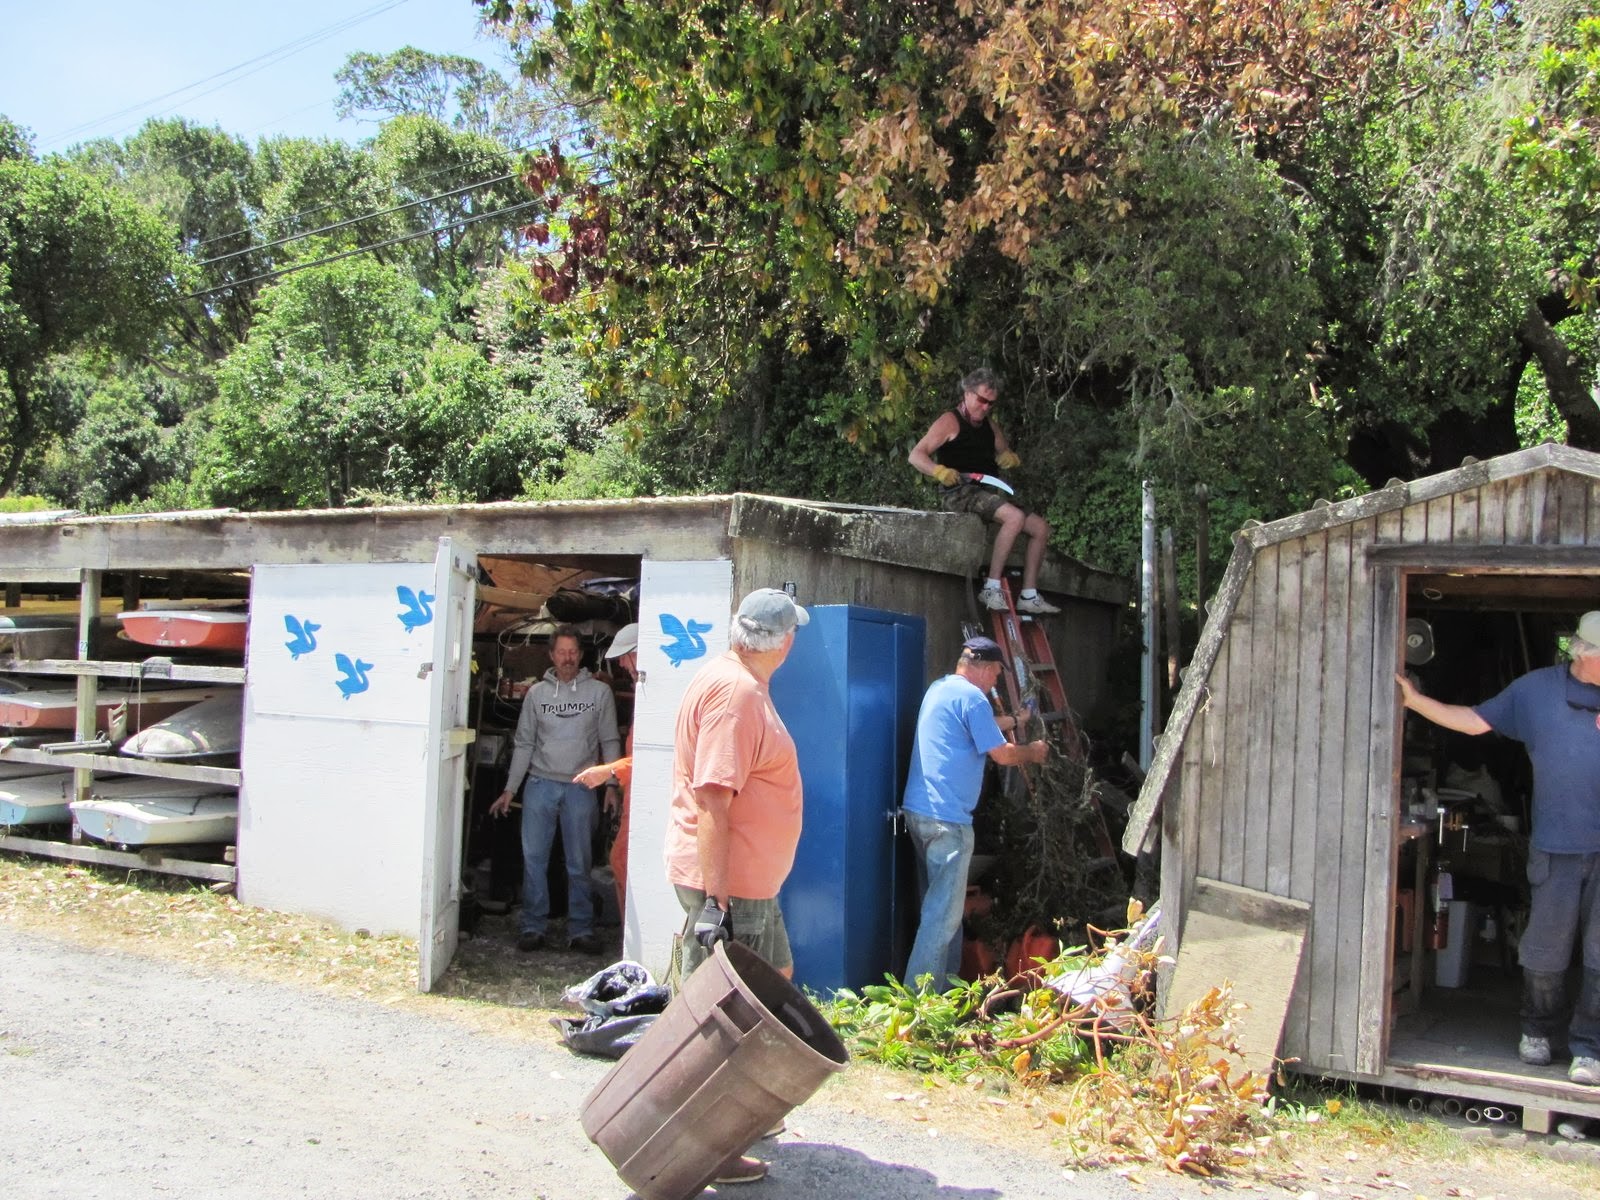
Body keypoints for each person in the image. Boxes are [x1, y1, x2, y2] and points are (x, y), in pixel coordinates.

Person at [1395, 611, 1600, 1087]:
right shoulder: (1537, 691)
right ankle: (1538, 1030)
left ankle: (1589, 1050)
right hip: (1556, 846)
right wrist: (1416, 700)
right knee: (1545, 950)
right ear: (1584, 653)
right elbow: (1473, 722)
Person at [664, 587, 808, 1186]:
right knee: (730, 1017)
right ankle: (711, 1146)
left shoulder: (738, 682)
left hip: (749, 884)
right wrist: (716, 904)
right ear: (784, 642)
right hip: (731, 887)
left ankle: (743, 1110)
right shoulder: (736, 694)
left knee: (774, 984)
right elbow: (713, 801)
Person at [901, 636, 1051, 990]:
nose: (996, 679)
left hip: (919, 814)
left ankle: (947, 994)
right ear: (982, 667)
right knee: (941, 919)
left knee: (944, 914)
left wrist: (1014, 719)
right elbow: (1002, 754)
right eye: (996, 672)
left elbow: (978, 724)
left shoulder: (941, 689)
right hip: (948, 822)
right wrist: (1033, 751)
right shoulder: (972, 698)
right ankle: (915, 1003)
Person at [489, 624, 621, 956]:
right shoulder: (536, 695)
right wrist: (510, 789)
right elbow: (524, 744)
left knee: (580, 862)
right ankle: (533, 927)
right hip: (540, 784)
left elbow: (609, 741)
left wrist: (612, 784)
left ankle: (581, 930)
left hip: (582, 786)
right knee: (534, 859)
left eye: (573, 652)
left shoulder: (599, 693)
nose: (567, 658)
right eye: (561, 652)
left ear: (581, 655)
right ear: (551, 655)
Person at [908, 366, 1061, 615]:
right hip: (959, 492)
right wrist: (938, 471)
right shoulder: (949, 421)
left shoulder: (990, 426)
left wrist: (1009, 457)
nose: (986, 407)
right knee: (1014, 517)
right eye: (982, 400)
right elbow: (915, 455)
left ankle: (1029, 595)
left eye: (991, 403)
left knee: (1041, 528)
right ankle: (991, 588)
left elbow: (1004, 450)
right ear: (967, 393)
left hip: (988, 490)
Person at [573, 623, 639, 921]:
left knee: (624, 861)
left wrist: (609, 773)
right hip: (634, 797)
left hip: (646, 800)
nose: (622, 663)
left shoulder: (660, 699)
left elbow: (658, 758)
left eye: (627, 656)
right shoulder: (646, 693)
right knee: (620, 861)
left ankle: (634, 939)